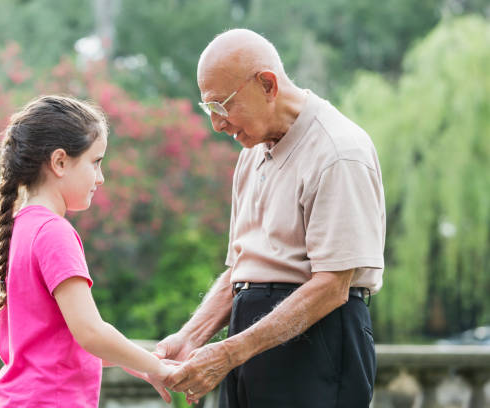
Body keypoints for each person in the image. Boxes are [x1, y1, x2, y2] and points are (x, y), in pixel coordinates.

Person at [158, 29, 385, 407]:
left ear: (267, 84)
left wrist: (229, 353)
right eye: (208, 109)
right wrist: (191, 337)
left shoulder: (339, 151)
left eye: (223, 105)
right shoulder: (252, 150)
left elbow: (332, 285)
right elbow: (242, 268)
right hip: (249, 341)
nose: (217, 124)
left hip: (318, 343)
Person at [0, 95, 174, 407]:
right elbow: (90, 332)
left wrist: (140, 363)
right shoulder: (54, 232)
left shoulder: (21, 227)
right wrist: (159, 368)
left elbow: (63, 344)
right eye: (95, 162)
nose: (101, 177)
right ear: (59, 162)